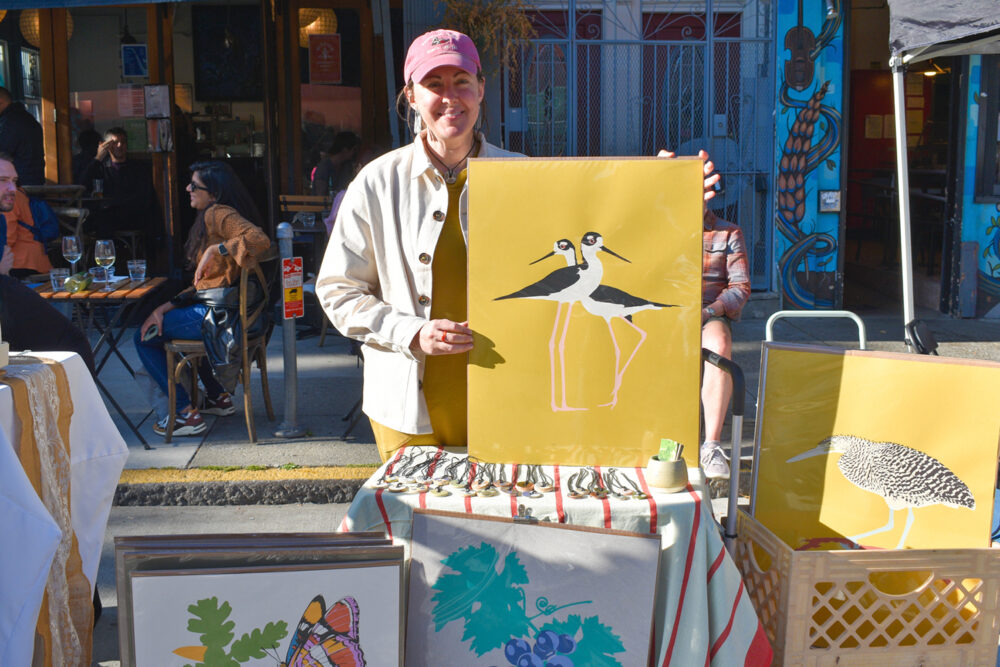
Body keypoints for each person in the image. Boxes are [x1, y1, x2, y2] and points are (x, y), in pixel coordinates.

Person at [317, 29, 520, 461]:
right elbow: (337, 289)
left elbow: (591, 235)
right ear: (410, 96)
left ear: (481, 89)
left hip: (507, 401)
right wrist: (411, 332)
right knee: (415, 526)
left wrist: (661, 190)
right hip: (405, 409)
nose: (451, 96)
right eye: (434, 84)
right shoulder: (376, 181)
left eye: (462, 80)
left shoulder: (522, 177)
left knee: (500, 525)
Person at [134, 161, 271, 437]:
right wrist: (165, 306)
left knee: (145, 337)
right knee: (169, 322)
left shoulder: (218, 212)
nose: (188, 188)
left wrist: (215, 249)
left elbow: (259, 239)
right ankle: (217, 396)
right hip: (229, 315)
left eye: (194, 185)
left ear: (214, 193)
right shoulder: (214, 215)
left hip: (221, 319)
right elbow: (206, 286)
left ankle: (184, 414)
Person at [698, 206, 750, 479]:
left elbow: (740, 286)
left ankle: (712, 445)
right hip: (662, 310)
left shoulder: (728, 232)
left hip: (707, 309)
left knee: (719, 343)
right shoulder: (655, 224)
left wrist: (709, 311)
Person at [77, 127, 157, 241]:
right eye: (114, 143)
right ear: (105, 145)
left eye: (123, 142)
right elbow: (82, 184)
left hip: (132, 215)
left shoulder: (138, 168)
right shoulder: (101, 168)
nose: (120, 146)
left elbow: (143, 196)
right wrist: (98, 157)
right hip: (107, 216)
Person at [0, 152, 52, 278]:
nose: (12, 188)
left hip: (24, 265)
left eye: (14, 181)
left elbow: (7, 241)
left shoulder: (8, 200)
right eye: (3, 180)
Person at [0, 87, 45, 186]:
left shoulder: (10, 122)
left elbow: (2, 154)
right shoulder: (27, 118)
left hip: (20, 187)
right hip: (33, 183)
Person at [312, 131, 360, 196]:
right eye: (354, 149)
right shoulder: (324, 167)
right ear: (345, 149)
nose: (356, 153)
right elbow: (320, 195)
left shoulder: (347, 166)